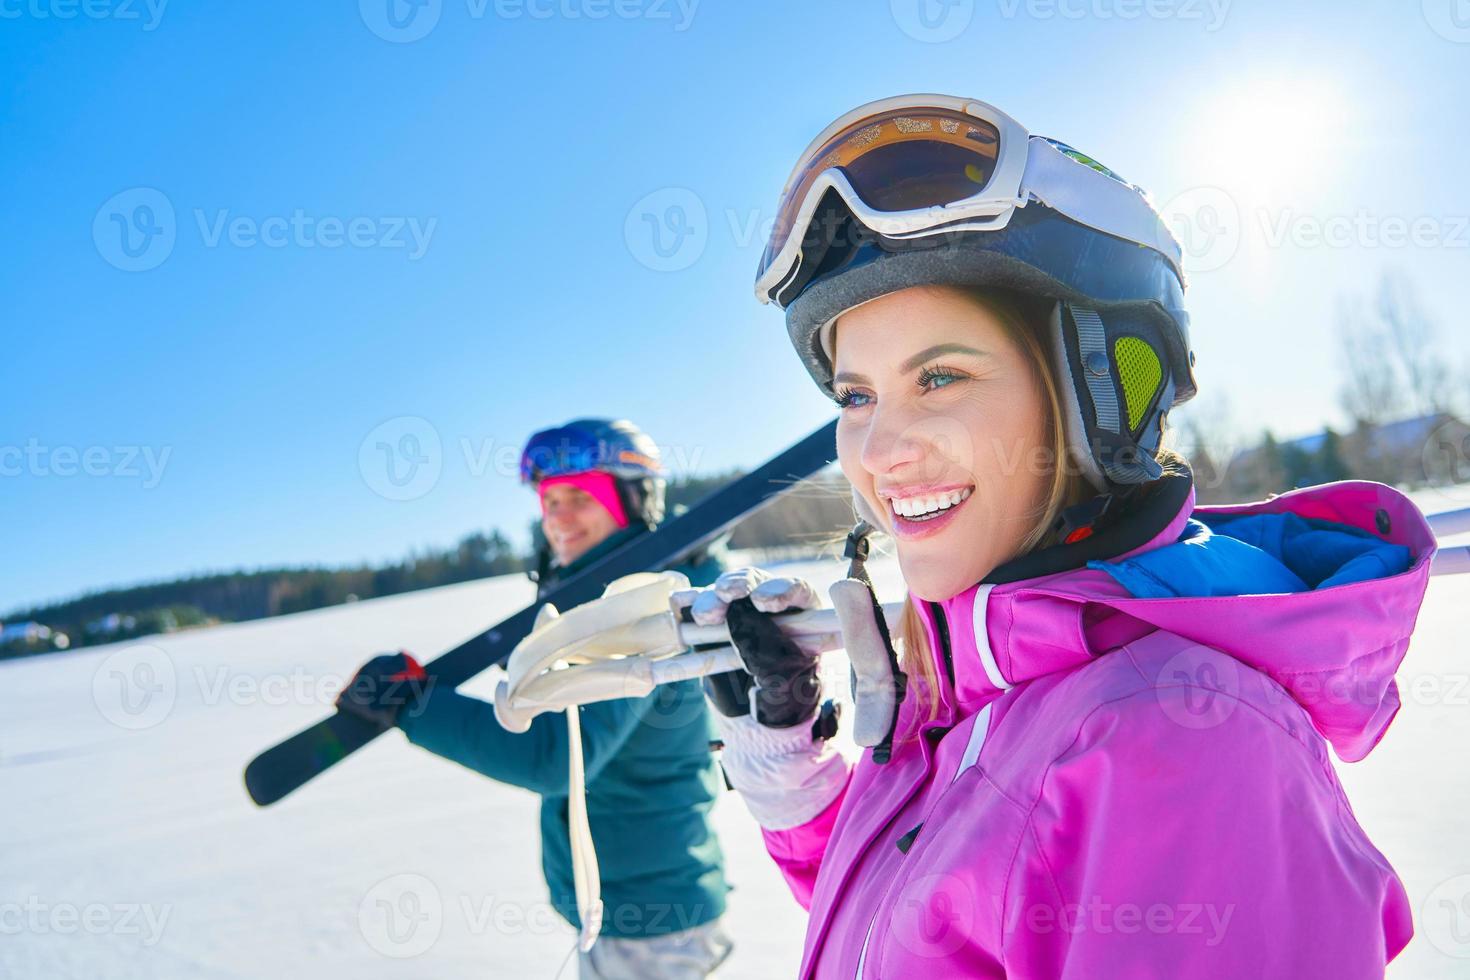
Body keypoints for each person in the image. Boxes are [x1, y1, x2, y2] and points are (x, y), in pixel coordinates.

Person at [680, 95, 1434, 977]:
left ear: (1101, 395)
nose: (878, 452)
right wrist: (790, 772)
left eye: (940, 377)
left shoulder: (1176, 741)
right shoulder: (977, 692)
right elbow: (909, 921)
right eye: (856, 396)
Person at [339, 418, 733, 979]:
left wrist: (415, 706)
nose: (560, 518)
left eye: (579, 497)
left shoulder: (640, 609)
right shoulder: (617, 604)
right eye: (549, 502)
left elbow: (553, 757)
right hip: (640, 909)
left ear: (629, 502)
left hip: (651, 922)